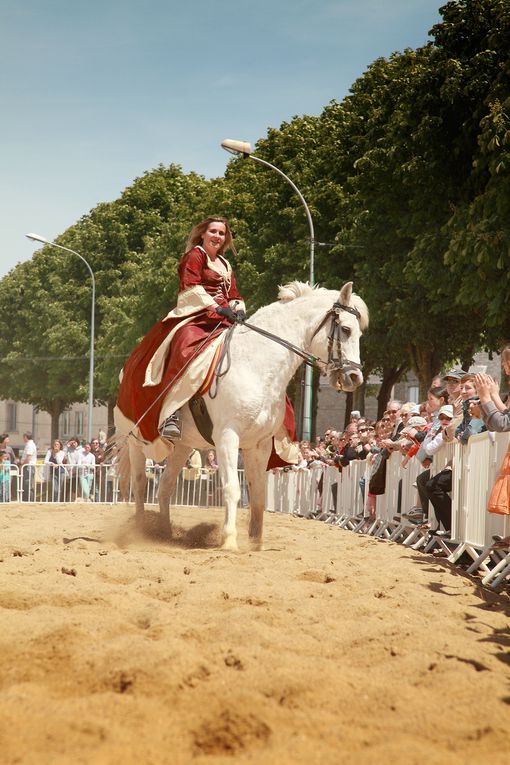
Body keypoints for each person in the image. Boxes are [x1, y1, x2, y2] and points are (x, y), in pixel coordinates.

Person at [116, 217, 246, 446]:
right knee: (185, 345)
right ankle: (170, 413)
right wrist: (217, 308)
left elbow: (233, 293)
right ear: (203, 234)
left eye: (221, 233)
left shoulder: (225, 264)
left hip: (225, 319)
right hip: (197, 316)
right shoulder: (195, 255)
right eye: (213, 231)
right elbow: (191, 287)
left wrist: (237, 308)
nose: (217, 236)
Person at [21, 432, 37, 501]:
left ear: (25, 437)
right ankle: (27, 499)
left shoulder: (30, 445)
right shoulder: (29, 444)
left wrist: (22, 465)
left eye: (23, 437)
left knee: (28, 483)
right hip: (28, 466)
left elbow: (28, 457)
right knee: (27, 483)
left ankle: (29, 500)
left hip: (28, 466)